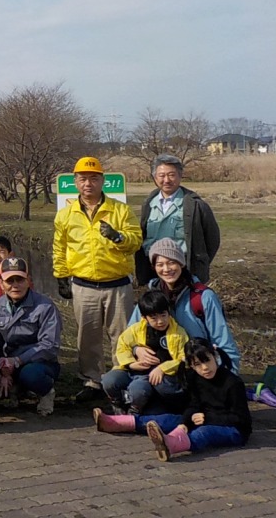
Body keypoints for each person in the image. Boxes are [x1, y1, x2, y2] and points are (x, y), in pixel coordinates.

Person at [52, 155, 141, 403]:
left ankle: (121, 379)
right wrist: (61, 275)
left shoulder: (120, 210)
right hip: (83, 285)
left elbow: (136, 241)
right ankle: (93, 381)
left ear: (102, 180)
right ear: (75, 182)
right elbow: (60, 248)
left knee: (122, 336)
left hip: (117, 284)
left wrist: (118, 237)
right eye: (82, 179)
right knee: (87, 337)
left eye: (93, 178)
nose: (88, 184)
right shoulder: (66, 215)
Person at [94, 339, 251, 462]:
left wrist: (208, 418)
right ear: (191, 366)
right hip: (203, 418)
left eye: (207, 361)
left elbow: (242, 420)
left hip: (234, 430)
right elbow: (193, 404)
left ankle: (170, 445)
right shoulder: (194, 378)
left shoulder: (233, 383)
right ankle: (119, 423)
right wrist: (185, 422)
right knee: (170, 419)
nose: (204, 368)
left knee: (204, 432)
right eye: (197, 364)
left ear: (214, 356)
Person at [129, 237, 240, 372]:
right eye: (160, 264)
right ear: (154, 267)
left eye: (172, 262)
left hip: (197, 370)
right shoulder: (150, 297)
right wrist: (136, 349)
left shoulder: (203, 297)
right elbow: (129, 335)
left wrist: (229, 378)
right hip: (160, 371)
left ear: (182, 263)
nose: (166, 269)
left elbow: (224, 343)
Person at [0, 257, 62, 416]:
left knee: (31, 375)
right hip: (8, 362)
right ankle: (15, 390)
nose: (15, 285)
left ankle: (46, 392)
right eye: (10, 280)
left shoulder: (45, 306)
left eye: (19, 279)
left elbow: (50, 346)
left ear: (28, 280)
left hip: (39, 362)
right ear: (1, 283)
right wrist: (2, 368)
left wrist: (19, 361)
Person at [136, 154, 221, 285]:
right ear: (155, 177)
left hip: (185, 271)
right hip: (154, 271)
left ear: (180, 176)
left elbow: (212, 239)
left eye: (171, 175)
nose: (166, 180)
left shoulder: (196, 205)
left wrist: (199, 262)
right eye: (162, 175)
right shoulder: (149, 203)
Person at [102, 289, 188, 414]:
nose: (160, 321)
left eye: (163, 315)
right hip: (132, 369)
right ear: (144, 318)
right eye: (153, 318)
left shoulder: (178, 333)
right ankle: (117, 403)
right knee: (109, 380)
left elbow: (183, 357)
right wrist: (130, 363)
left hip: (151, 375)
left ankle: (135, 410)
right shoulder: (135, 330)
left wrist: (162, 368)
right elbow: (122, 346)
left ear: (169, 312)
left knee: (137, 389)